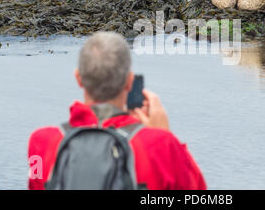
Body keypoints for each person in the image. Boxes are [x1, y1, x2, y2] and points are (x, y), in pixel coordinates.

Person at [28, 32, 206, 190]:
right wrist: (165, 134)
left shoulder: (41, 142)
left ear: (79, 78)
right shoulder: (160, 145)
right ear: (129, 81)